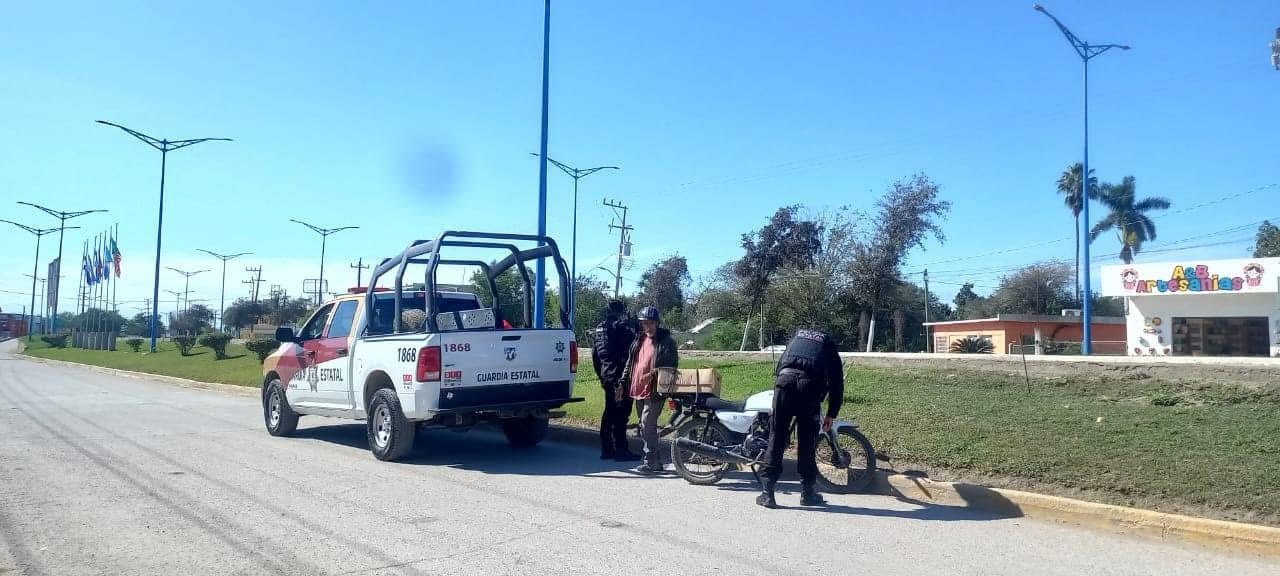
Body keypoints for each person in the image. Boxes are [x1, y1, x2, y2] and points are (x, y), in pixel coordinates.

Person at [757, 327, 844, 508]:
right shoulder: (828, 343)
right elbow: (836, 382)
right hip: (809, 387)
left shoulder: (796, 336)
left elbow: (780, 366)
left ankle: (767, 494)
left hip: (784, 384)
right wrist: (831, 414)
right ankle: (807, 494)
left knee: (777, 437)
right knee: (807, 441)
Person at [619, 305, 678, 474]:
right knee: (644, 426)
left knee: (646, 425)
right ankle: (655, 461)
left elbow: (671, 366)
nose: (648, 326)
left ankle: (651, 461)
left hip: (654, 391)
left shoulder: (666, 342)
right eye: (645, 323)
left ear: (657, 323)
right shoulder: (639, 340)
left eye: (651, 323)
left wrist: (652, 374)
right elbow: (630, 364)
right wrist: (622, 383)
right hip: (637, 389)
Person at [591, 300, 640, 461]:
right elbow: (632, 349)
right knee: (621, 412)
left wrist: (602, 375)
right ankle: (621, 450)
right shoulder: (620, 328)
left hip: (606, 374)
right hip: (619, 375)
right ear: (621, 311)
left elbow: (595, 355)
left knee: (610, 410)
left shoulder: (599, 328)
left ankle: (607, 449)